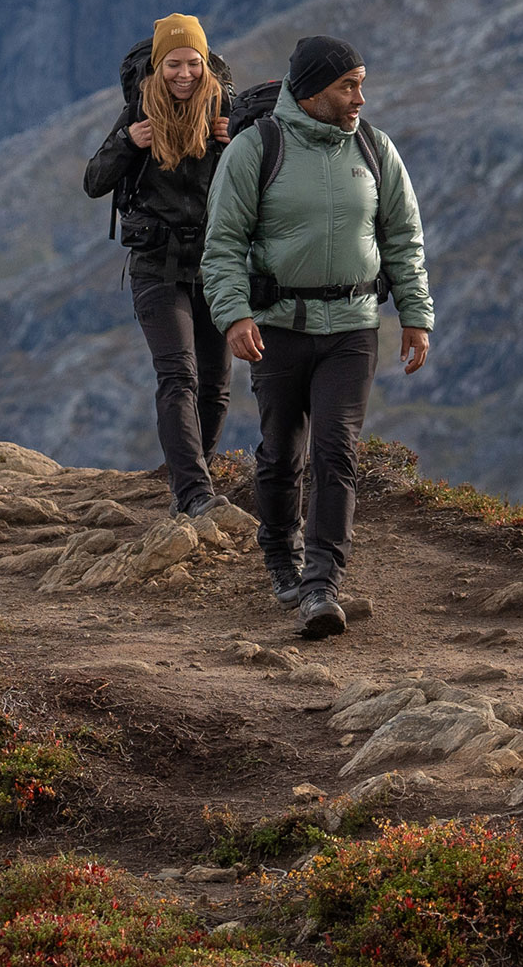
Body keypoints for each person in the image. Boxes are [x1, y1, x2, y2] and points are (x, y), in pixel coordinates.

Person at [201, 33, 432, 639]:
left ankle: (322, 583)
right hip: (277, 328)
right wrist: (234, 316)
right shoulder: (256, 150)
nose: (360, 96)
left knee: (337, 452)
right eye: (346, 85)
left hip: (354, 328)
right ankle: (280, 550)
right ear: (310, 93)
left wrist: (415, 314)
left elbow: (403, 240)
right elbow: (222, 245)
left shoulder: (376, 149)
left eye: (361, 83)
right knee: (282, 452)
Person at [82, 13, 234, 515]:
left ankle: (192, 483)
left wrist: (235, 145)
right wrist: (130, 142)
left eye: (193, 62)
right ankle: (194, 494)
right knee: (178, 377)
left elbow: (263, 179)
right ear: (157, 65)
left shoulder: (226, 112)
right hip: (156, 268)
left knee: (215, 386)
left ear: (205, 62)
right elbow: (94, 180)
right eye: (174, 63)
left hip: (215, 268)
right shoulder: (137, 114)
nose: (184, 73)